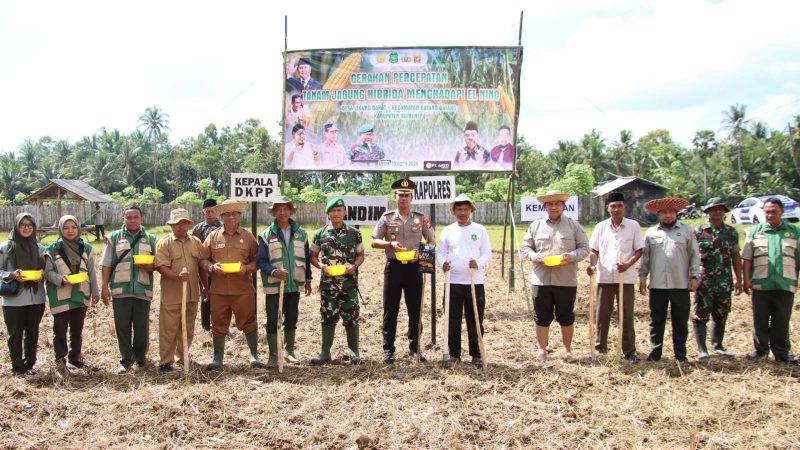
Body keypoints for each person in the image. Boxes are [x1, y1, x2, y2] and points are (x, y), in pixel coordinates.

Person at [371, 178, 436, 364]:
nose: (403, 199)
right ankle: (388, 350)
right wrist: (390, 243)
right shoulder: (387, 217)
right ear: (395, 197)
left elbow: (432, 239)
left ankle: (415, 349)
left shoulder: (421, 218)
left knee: (415, 309)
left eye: (407, 195)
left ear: (412, 197)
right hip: (394, 268)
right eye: (400, 195)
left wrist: (421, 253)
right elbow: (374, 241)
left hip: (414, 268)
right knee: (390, 309)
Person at [521, 191, 590, 363]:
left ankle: (567, 350)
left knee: (566, 316)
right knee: (541, 316)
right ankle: (542, 350)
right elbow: (525, 248)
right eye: (550, 204)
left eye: (557, 204)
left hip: (566, 280)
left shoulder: (573, 226)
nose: (553, 207)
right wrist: (534, 256)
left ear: (563, 206)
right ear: (544, 206)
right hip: (541, 279)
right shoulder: (535, 226)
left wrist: (572, 256)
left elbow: (585, 248)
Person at [638, 197, 700, 362]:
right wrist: (642, 277)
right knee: (656, 320)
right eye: (663, 212)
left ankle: (680, 354)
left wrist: (695, 276)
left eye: (671, 212)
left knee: (680, 321)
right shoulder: (651, 233)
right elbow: (645, 258)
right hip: (657, 285)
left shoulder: (687, 231)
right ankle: (655, 352)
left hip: (680, 284)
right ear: (658, 215)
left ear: (676, 213)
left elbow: (695, 255)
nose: (667, 216)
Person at [201, 199, 261, 370]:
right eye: (227, 214)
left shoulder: (248, 237)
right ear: (222, 216)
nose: (231, 217)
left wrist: (246, 268)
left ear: (239, 215)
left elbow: (258, 260)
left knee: (249, 322)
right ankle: (217, 358)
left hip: (243, 289)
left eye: (234, 213)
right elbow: (202, 259)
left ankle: (254, 355)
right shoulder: (213, 236)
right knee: (218, 324)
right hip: (219, 290)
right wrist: (212, 267)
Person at [742, 197, 800, 364]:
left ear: (781, 211)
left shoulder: (794, 232)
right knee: (759, 320)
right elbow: (747, 259)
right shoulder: (754, 232)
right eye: (767, 212)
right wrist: (746, 280)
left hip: (785, 284)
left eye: (773, 211)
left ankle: (782, 353)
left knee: (781, 321)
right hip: (761, 284)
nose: (769, 214)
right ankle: (760, 351)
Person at [100, 205, 157, 374]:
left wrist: (150, 266)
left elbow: (159, 263)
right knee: (122, 326)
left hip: (142, 289)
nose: (132, 220)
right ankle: (126, 359)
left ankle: (140, 358)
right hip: (120, 289)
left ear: (142, 219)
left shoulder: (152, 239)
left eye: (135, 217)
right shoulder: (114, 238)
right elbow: (106, 264)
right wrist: (104, 287)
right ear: (123, 219)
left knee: (142, 326)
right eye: (128, 217)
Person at [586, 192, 644, 361]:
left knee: (626, 313)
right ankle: (600, 347)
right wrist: (592, 264)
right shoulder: (600, 227)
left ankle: (629, 350)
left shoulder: (633, 226)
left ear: (624, 206)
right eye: (613, 206)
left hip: (625, 277)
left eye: (619, 205)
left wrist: (627, 264)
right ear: (607, 208)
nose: (616, 209)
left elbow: (639, 250)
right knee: (603, 312)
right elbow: (594, 250)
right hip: (605, 276)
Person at [436, 193, 492, 366]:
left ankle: (476, 354)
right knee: (452, 319)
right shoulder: (448, 230)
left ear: (471, 210)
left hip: (475, 283)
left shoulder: (480, 229)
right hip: (452, 282)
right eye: (459, 209)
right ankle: (454, 354)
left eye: (466, 209)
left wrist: (478, 263)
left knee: (474, 319)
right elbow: (440, 253)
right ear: (453, 211)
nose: (462, 213)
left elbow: (487, 253)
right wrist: (442, 264)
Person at [257, 196, 312, 367]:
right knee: (273, 319)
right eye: (279, 209)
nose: (282, 212)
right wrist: (274, 271)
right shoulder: (266, 235)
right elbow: (261, 260)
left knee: (292, 318)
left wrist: (308, 280)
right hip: (274, 285)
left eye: (285, 209)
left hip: (294, 283)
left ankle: (289, 351)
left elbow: (307, 258)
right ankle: (274, 354)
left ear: (290, 211)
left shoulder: (301, 233)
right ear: (274, 212)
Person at [309, 197, 365, 365]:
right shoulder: (320, 234)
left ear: (345, 212)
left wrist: (354, 266)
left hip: (349, 284)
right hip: (328, 285)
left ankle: (354, 353)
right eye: (332, 211)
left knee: (351, 317)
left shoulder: (354, 233)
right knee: (327, 317)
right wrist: (320, 266)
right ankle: (325, 353)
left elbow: (361, 255)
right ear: (328, 214)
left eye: (339, 210)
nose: (336, 213)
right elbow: (312, 256)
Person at [154, 209, 208, 373]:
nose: (180, 227)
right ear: (171, 225)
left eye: (183, 223)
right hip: (173, 293)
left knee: (188, 327)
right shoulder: (165, 243)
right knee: (169, 327)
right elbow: (161, 266)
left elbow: (201, 266)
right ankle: (165, 361)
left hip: (192, 293)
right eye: (177, 224)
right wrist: (176, 277)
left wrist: (205, 286)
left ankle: (182, 356)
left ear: (188, 224)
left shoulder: (196, 242)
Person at [44, 215, 99, 371]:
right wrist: (61, 279)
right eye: (66, 228)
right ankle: (60, 360)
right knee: (60, 329)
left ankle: (74, 358)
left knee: (77, 329)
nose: (70, 231)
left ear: (78, 229)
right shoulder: (53, 248)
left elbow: (91, 272)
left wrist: (95, 292)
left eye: (73, 227)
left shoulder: (86, 247)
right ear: (61, 229)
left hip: (80, 293)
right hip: (60, 294)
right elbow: (47, 272)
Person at [692, 198, 742, 360]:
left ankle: (717, 346)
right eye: (714, 209)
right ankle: (702, 349)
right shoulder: (699, 231)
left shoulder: (731, 232)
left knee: (721, 313)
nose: (717, 212)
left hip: (724, 281)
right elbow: (691, 256)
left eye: (720, 209)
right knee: (701, 314)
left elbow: (735, 255)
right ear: (707, 212)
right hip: (704, 281)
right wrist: (691, 276)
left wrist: (739, 278)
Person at [0, 213, 46, 376]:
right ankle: (17, 368)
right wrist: (11, 274)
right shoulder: (6, 247)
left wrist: (42, 273)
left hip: (36, 298)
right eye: (23, 224)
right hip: (14, 300)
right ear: (17, 226)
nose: (26, 228)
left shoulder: (39, 248)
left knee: (32, 332)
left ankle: (29, 365)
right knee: (15, 335)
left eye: (30, 225)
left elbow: (47, 269)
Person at [192, 198, 221, 332]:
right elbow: (193, 245)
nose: (210, 214)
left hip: (217, 267)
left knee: (218, 297)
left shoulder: (222, 227)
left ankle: (218, 324)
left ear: (217, 212)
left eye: (212, 211)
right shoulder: (197, 229)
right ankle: (205, 326)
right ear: (203, 212)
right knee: (205, 294)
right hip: (202, 266)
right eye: (207, 211)